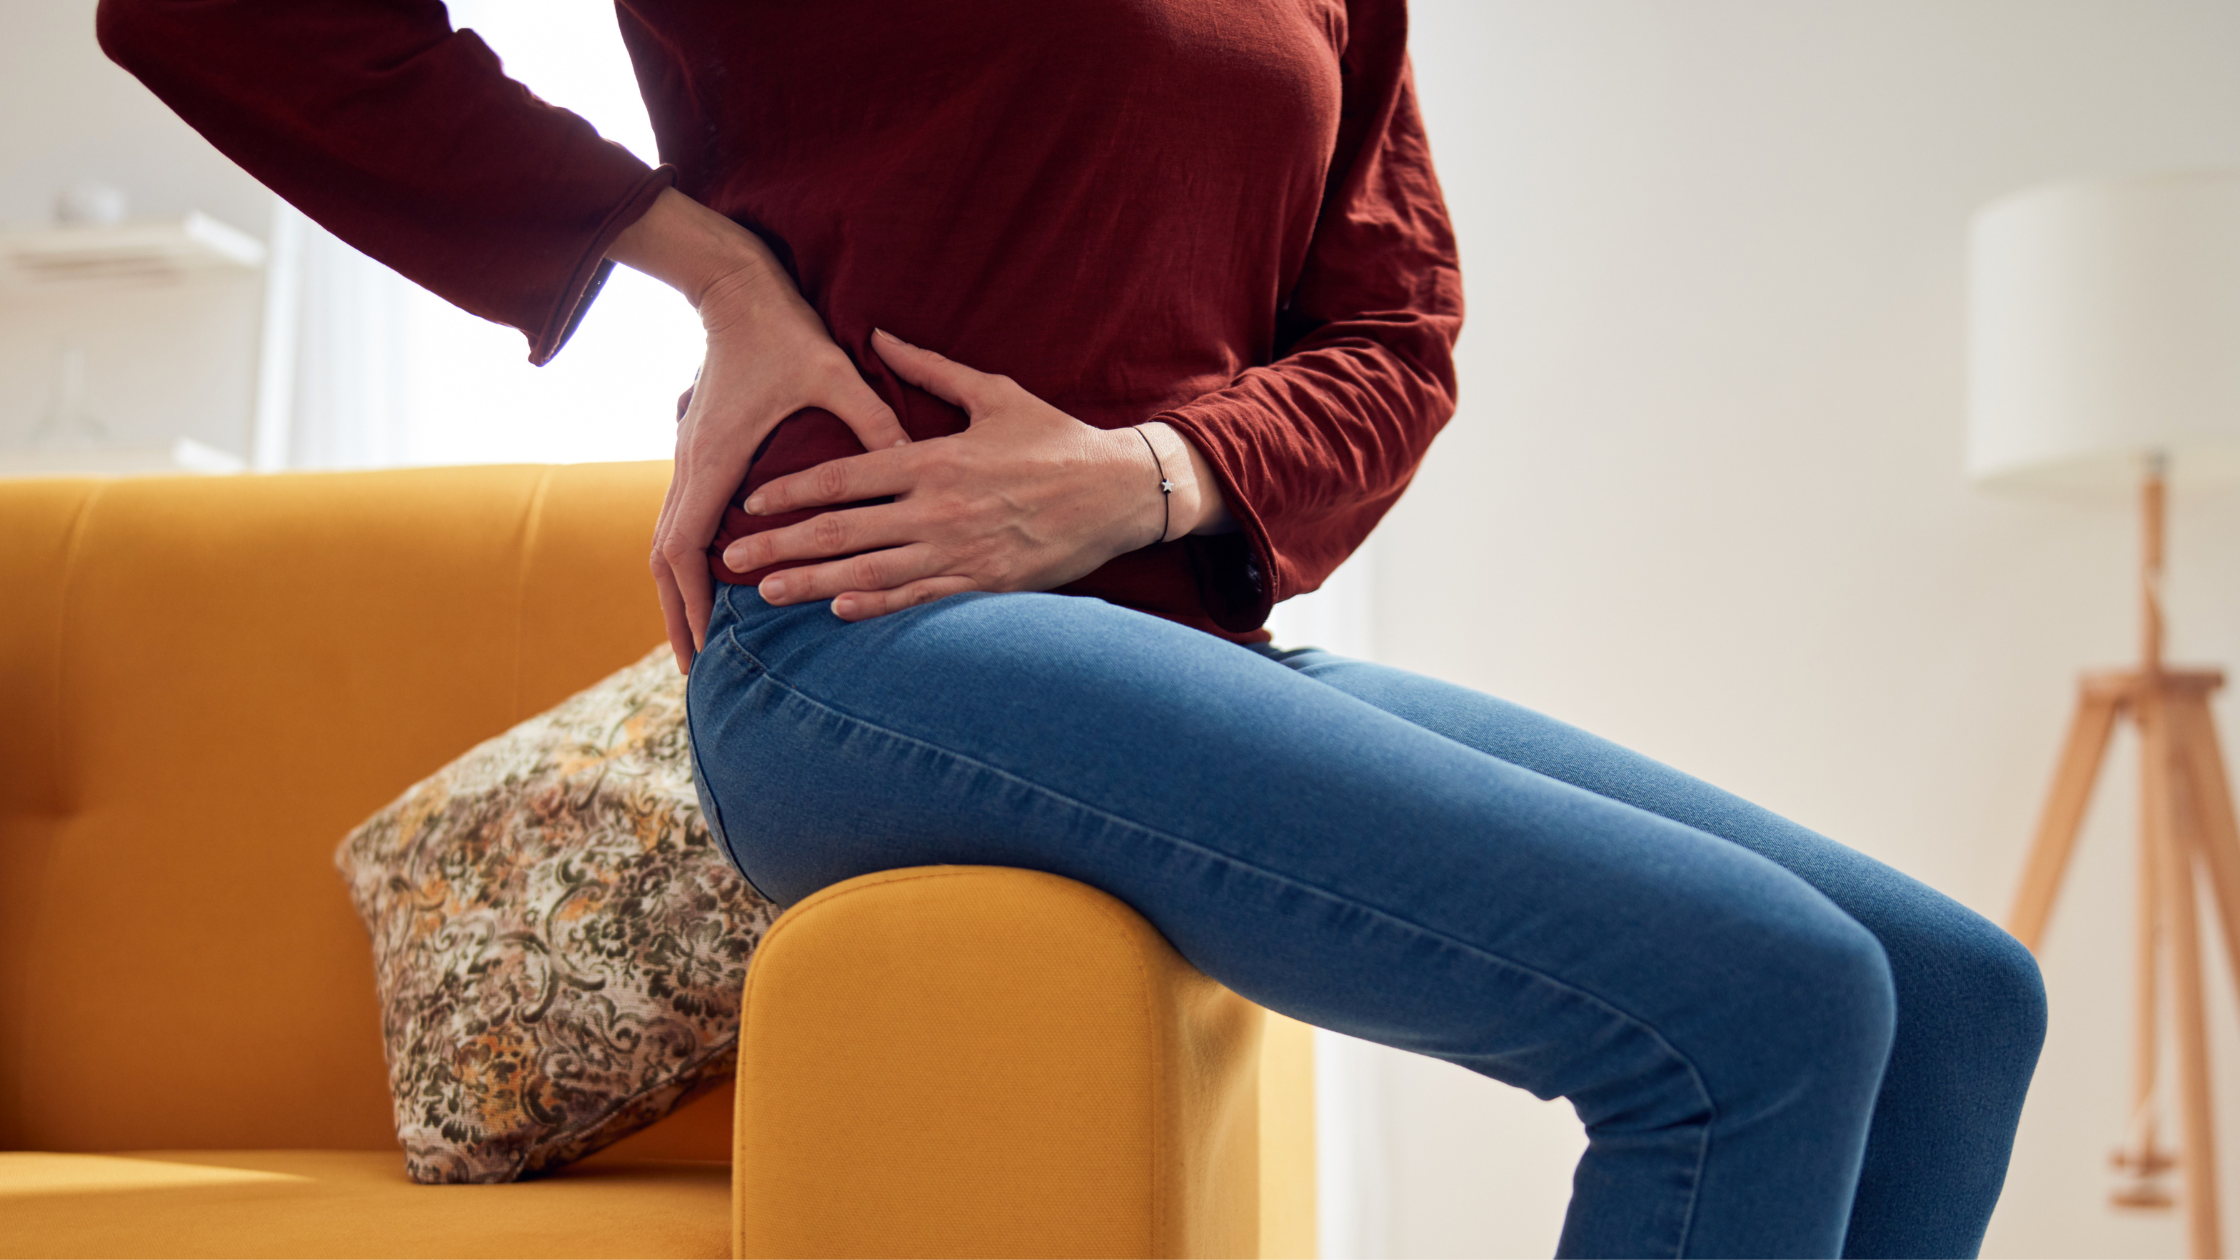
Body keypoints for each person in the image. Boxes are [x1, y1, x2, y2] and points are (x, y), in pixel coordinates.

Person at [100, 1, 2045, 1254]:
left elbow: (1395, 339)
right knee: (1763, 1008)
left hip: (1187, 649)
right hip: (871, 652)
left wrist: (1143, 478)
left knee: (1954, 996)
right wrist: (696, 266)